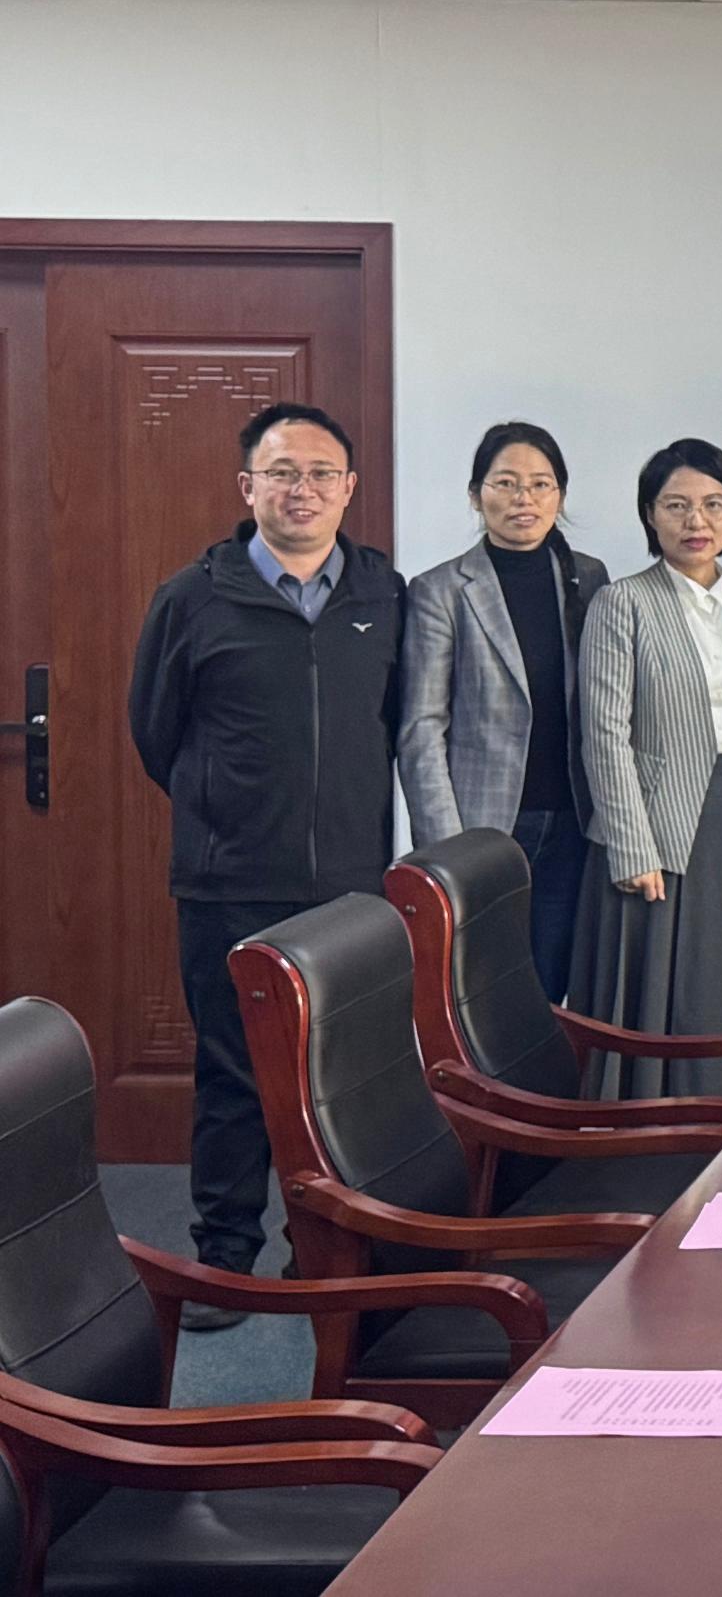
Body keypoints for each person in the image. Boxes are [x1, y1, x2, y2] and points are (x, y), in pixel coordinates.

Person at [127, 402, 402, 1325]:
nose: (302, 489)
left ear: (349, 488)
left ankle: (322, 1254)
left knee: (340, 1075)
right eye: (283, 472)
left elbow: (398, 725)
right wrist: (228, 810)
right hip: (229, 882)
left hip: (349, 889)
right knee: (234, 1074)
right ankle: (226, 1260)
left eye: (321, 473)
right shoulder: (192, 598)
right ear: (248, 487)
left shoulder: (384, 595)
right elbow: (155, 732)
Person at [575, 439, 722, 1097]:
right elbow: (604, 733)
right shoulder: (623, 602)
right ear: (649, 514)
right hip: (656, 825)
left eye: (714, 504)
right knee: (663, 997)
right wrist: (632, 845)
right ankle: (658, 1134)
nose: (697, 521)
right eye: (677, 505)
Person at [397, 421, 609, 1004]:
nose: (524, 499)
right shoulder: (441, 590)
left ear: (559, 496)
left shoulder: (588, 577)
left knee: (555, 988)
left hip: (573, 821)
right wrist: (446, 848)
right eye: (507, 483)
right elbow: (421, 730)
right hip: (484, 827)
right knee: (483, 991)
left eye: (541, 484)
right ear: (476, 495)